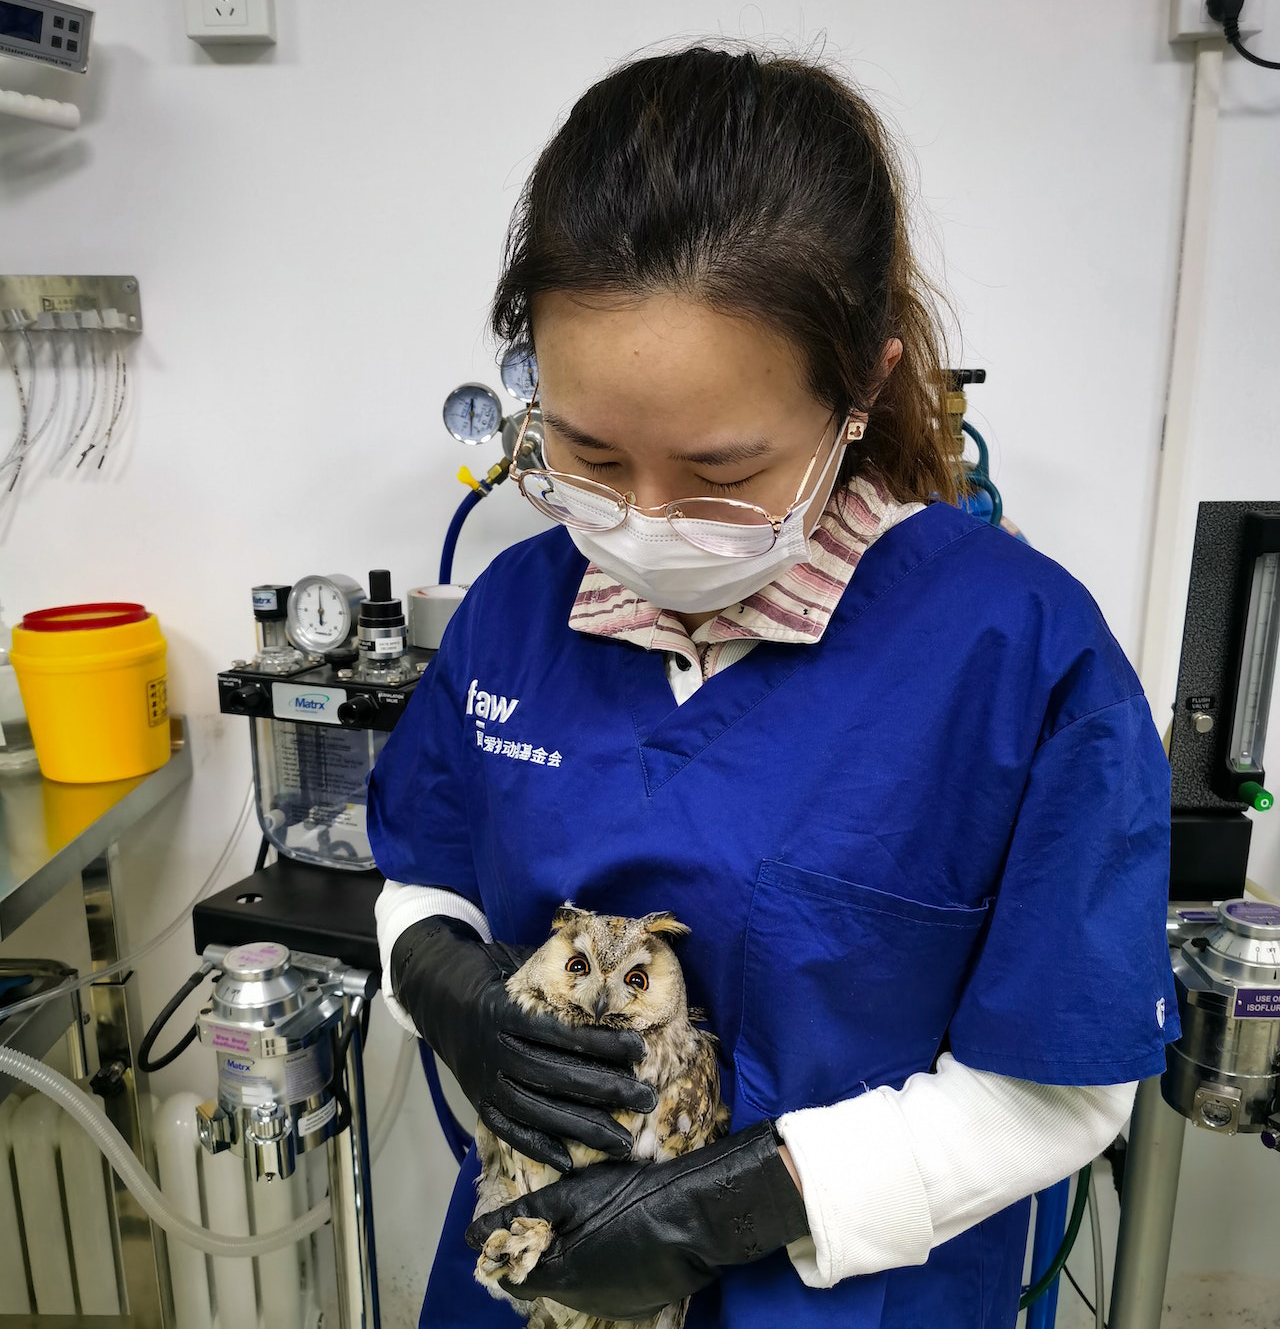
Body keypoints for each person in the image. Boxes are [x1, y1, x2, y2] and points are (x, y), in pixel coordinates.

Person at [368, 44, 1178, 1329]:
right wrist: (447, 989)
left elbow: (1062, 1088)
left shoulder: (1013, 655)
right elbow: (421, 872)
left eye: (719, 470)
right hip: (527, 1283)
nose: (640, 520)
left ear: (862, 386)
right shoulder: (517, 614)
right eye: (585, 452)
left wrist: (732, 1202)